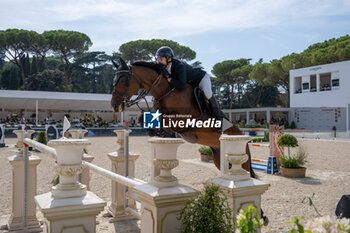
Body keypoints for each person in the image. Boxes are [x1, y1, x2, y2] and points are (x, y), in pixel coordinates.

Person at [155, 46, 222, 123]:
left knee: (207, 93)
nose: (158, 61)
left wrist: (170, 80)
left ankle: (219, 118)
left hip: (200, 78)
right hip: (191, 84)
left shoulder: (179, 66)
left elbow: (182, 85)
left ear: (169, 59)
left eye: (161, 59)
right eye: (158, 59)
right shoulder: (164, 67)